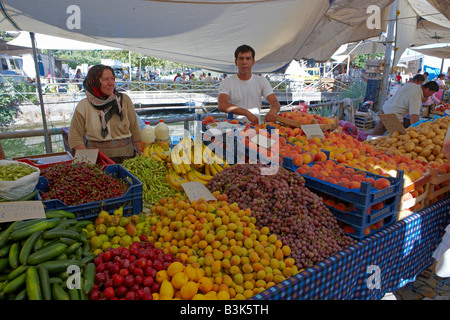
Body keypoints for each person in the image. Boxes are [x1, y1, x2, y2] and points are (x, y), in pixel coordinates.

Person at [68, 64, 142, 164]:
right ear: (94, 81)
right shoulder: (83, 106)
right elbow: (75, 138)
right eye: (105, 79)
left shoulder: (124, 100)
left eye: (112, 78)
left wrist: (141, 157)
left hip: (127, 160)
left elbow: (135, 129)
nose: (111, 83)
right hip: (98, 163)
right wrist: (89, 165)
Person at [218, 44, 281, 125]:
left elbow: (275, 102)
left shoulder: (261, 81)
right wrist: (247, 113)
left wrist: (273, 111)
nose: (244, 62)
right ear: (236, 62)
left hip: (254, 128)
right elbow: (222, 105)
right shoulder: (227, 82)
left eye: (248, 58)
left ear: (253, 62)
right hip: (233, 129)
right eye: (241, 59)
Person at [371, 79, 439, 135]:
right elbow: (414, 117)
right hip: (394, 115)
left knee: (379, 130)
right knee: (398, 138)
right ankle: (367, 145)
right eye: (432, 92)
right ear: (427, 89)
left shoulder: (411, 85)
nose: (431, 95)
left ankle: (367, 143)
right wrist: (417, 132)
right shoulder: (416, 96)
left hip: (386, 107)